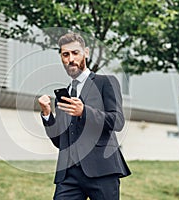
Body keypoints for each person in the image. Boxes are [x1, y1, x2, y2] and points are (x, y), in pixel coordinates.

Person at [38, 32, 131, 200]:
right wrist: (47, 115)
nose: (71, 59)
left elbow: (117, 121)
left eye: (75, 53)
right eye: (65, 54)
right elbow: (60, 141)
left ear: (86, 53)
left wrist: (85, 112)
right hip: (69, 175)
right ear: (61, 57)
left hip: (102, 170)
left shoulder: (106, 82)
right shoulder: (65, 95)